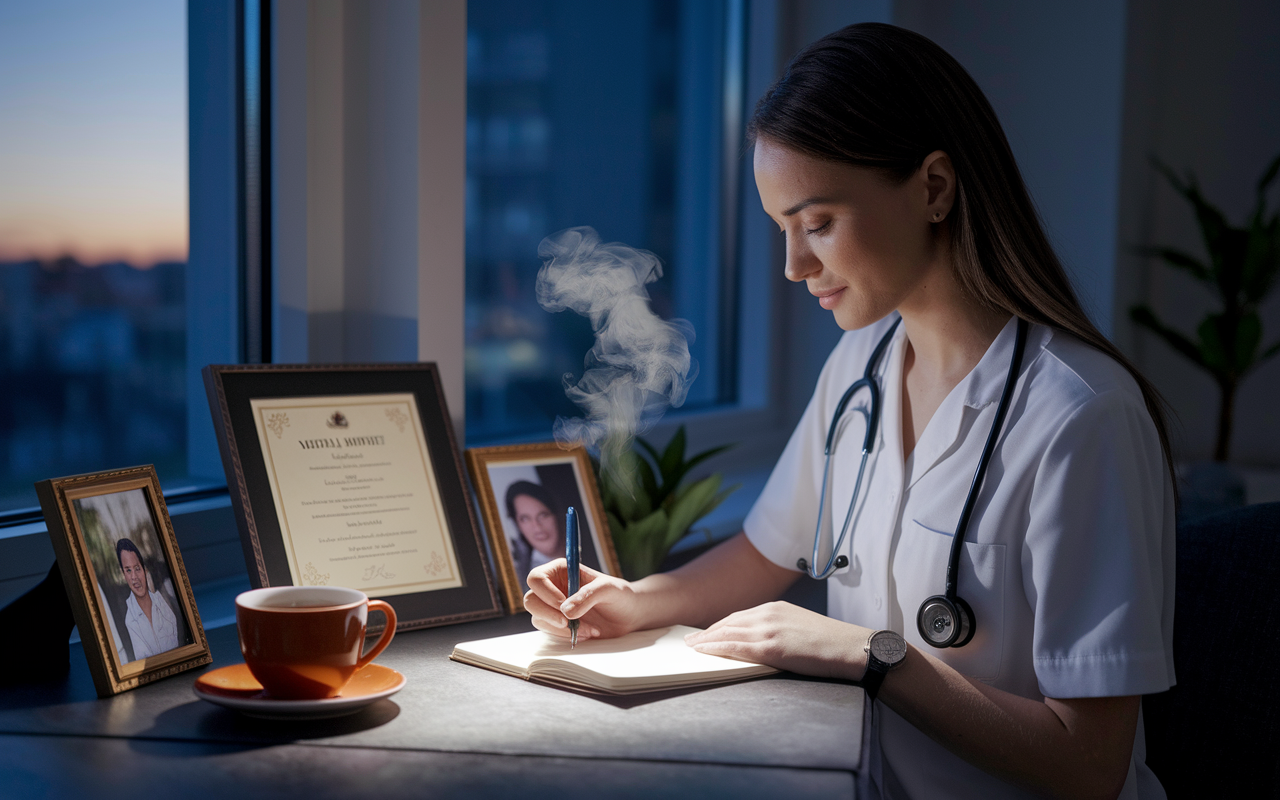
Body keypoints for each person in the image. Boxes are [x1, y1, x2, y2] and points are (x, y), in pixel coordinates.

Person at [523, 23, 1175, 800]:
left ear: (934, 188)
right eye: (782, 231)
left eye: (818, 224)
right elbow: (769, 551)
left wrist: (874, 654)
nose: (795, 267)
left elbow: (1090, 765)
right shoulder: (859, 366)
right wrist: (635, 601)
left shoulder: (1083, 417)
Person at [116, 538, 181, 660]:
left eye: (137, 568)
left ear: (145, 570)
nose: (134, 577)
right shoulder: (130, 620)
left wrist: (154, 594)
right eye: (128, 570)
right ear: (123, 575)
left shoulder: (162, 603)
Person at [504, 481, 565, 593]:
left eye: (543, 515)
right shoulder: (523, 580)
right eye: (525, 519)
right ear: (517, 525)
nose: (537, 527)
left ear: (556, 515)